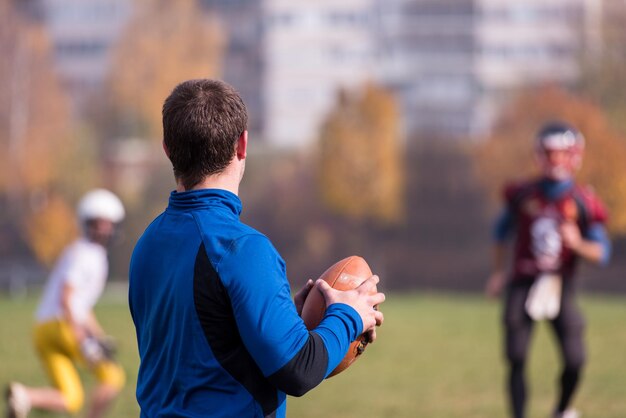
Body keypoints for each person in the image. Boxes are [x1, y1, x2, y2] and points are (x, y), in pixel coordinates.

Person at [128, 79, 385, 417]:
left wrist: (285, 318)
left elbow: (203, 341)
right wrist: (349, 316)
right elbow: (298, 370)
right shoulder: (242, 249)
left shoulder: (147, 243)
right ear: (243, 145)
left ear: (167, 149)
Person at [485, 121, 612, 418]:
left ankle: (562, 409)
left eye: (560, 153)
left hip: (559, 283)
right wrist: (497, 272)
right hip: (523, 280)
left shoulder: (582, 200)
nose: (555, 160)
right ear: (539, 154)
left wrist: (578, 244)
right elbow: (500, 232)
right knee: (515, 355)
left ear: (573, 155)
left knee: (575, 358)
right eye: (549, 153)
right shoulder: (522, 194)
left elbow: (601, 253)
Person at [5, 189, 126, 418]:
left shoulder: (76, 251)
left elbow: (82, 306)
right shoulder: (89, 254)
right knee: (113, 377)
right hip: (61, 325)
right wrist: (84, 341)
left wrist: (98, 335)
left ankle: (23, 396)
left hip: (42, 329)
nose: (106, 229)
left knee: (71, 398)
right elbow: (67, 298)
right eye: (101, 224)